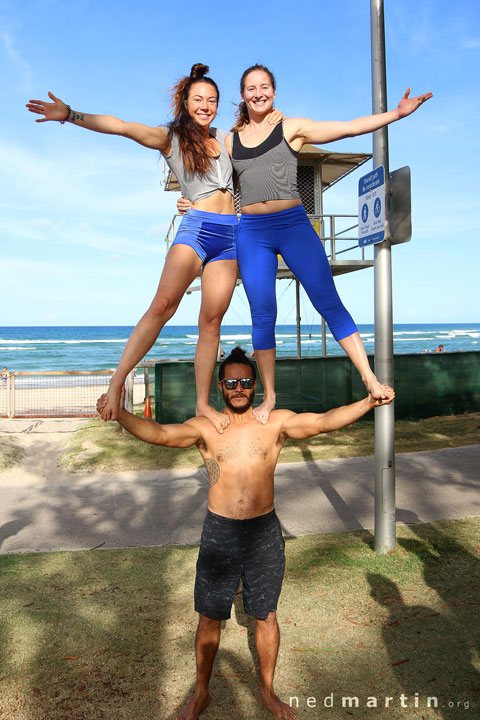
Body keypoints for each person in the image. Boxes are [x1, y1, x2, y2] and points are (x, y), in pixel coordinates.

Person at [97, 346, 394, 720]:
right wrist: (120, 413)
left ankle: (268, 692)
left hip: (264, 531)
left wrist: (368, 402)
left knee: (265, 613)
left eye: (246, 381)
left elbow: (323, 421)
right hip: (219, 530)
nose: (239, 388)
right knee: (209, 616)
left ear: (255, 385)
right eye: (232, 382)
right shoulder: (206, 427)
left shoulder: (275, 423)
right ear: (221, 386)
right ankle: (200, 693)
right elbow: (159, 434)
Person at [26, 64, 280, 433]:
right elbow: (123, 127)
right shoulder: (171, 139)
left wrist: (271, 115)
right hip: (197, 230)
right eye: (198, 99)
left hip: (230, 236)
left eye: (212, 100)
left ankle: (201, 404)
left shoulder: (227, 139)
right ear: (185, 102)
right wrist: (70, 115)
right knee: (162, 306)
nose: (205, 105)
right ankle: (115, 384)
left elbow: (260, 141)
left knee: (211, 322)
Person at [179, 64, 430, 424]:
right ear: (243, 95)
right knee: (262, 316)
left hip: (293, 225)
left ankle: (370, 378)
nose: (258, 93)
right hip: (251, 231)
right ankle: (269, 399)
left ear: (274, 92)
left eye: (264, 87)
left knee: (328, 301)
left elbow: (345, 129)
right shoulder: (229, 139)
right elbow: (202, 171)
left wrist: (395, 114)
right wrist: (189, 200)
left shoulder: (291, 127)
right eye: (251, 88)